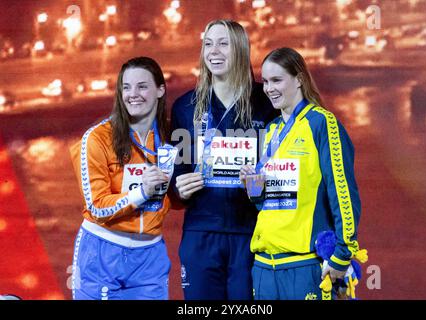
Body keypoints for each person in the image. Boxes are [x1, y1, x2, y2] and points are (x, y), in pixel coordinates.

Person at [240, 47, 362, 300]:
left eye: (277, 80)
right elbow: (272, 202)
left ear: (299, 79)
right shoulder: (272, 130)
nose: (268, 88)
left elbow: (342, 191)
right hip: (264, 265)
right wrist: (254, 190)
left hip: (304, 264)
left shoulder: (321, 123)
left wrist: (343, 252)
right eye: (265, 81)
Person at [170, 19, 278, 300]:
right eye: (208, 44)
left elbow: (282, 178)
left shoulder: (266, 104)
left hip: (252, 234)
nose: (213, 51)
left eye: (223, 43)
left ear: (241, 49)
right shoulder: (185, 106)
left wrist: (257, 187)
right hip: (201, 233)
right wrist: (179, 189)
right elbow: (176, 182)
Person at [69, 56, 176, 300]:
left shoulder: (171, 136)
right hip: (102, 254)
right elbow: (96, 206)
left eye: (142, 86)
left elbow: (172, 200)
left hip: (150, 257)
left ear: (160, 90)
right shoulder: (96, 139)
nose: (132, 94)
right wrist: (142, 192)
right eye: (126, 87)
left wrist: (185, 192)